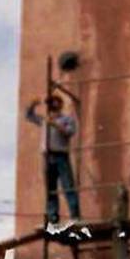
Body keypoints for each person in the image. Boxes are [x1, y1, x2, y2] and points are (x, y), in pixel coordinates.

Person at [26, 93, 85, 235]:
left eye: (54, 103)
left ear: (59, 105)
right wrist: (32, 105)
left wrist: (56, 125)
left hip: (61, 156)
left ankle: (75, 216)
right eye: (50, 104)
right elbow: (29, 116)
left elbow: (70, 132)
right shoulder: (45, 120)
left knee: (68, 187)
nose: (51, 107)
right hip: (48, 157)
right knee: (50, 189)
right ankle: (53, 218)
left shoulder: (66, 119)